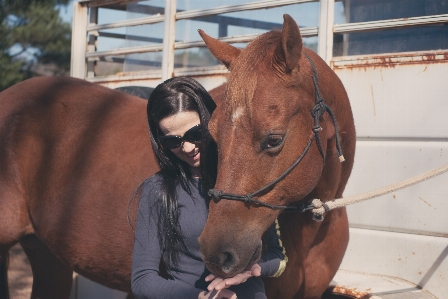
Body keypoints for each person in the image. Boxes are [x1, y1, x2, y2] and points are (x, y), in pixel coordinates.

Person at [131, 77, 286, 299]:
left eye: (194, 134)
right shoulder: (157, 189)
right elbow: (142, 279)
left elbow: (278, 256)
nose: (186, 147)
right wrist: (200, 297)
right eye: (172, 141)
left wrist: (252, 270)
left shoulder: (246, 178)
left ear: (210, 120)